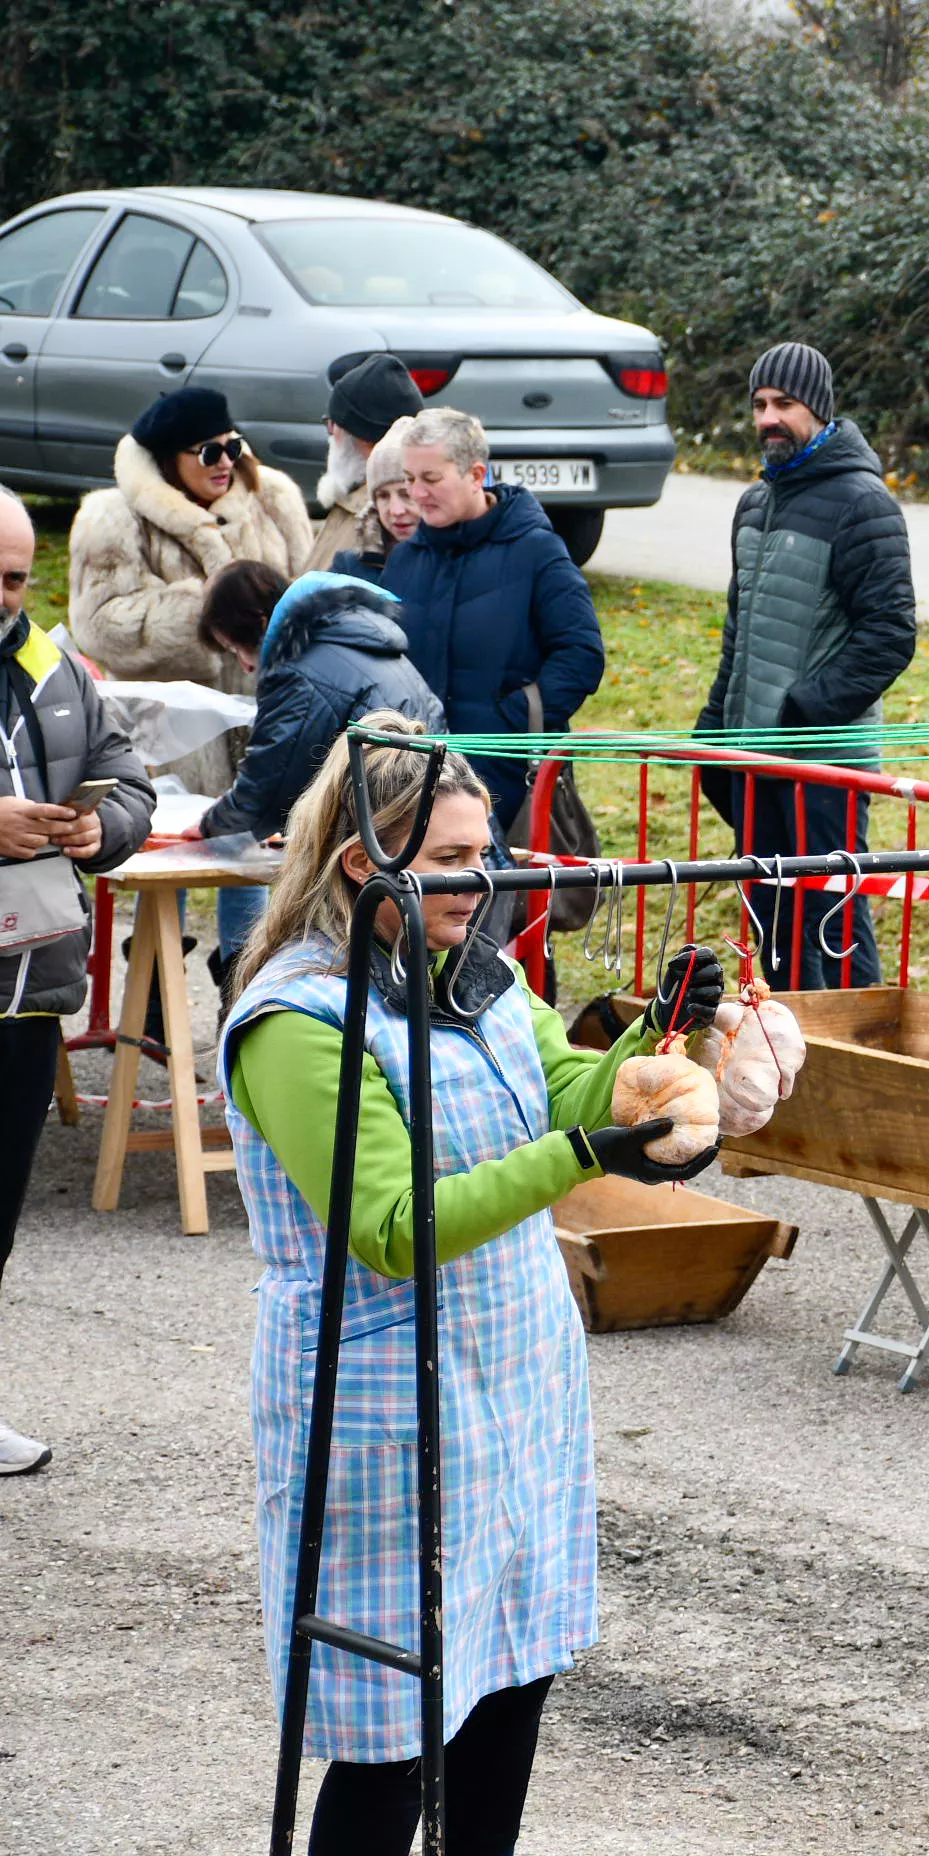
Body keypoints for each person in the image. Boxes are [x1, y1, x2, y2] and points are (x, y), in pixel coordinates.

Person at [225, 715, 723, 1854]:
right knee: (396, 1734)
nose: (480, 877)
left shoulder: (471, 971)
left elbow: (565, 1089)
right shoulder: (295, 1021)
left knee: (507, 1688)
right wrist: (590, 1159)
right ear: (365, 861)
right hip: (387, 1402)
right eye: (450, 861)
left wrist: (656, 1027)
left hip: (517, 1384)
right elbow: (389, 1226)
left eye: (483, 848)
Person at [0, 485, 154, 1474]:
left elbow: (132, 778)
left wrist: (108, 827)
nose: (1, 598)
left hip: (26, 991)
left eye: (14, 579)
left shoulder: (56, 666)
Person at [697, 341, 918, 990]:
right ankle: (793, 1068)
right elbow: (741, 631)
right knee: (773, 920)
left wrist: (803, 713)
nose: (768, 417)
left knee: (832, 922)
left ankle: (863, 1056)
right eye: (759, 404)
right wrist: (716, 728)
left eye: (784, 404)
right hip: (756, 757)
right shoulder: (754, 505)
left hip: (825, 762)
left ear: (818, 409)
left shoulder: (862, 503)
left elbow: (891, 634)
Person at [193, 568, 445, 978]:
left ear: (259, 625)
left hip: (382, 842)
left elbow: (269, 785)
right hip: (416, 828)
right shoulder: (356, 643)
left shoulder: (298, 668)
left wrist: (211, 825)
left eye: (236, 648)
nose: (245, 665)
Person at [68, 385, 317, 792]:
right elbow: (98, 627)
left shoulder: (273, 497)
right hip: (172, 733)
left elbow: (308, 596)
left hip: (272, 712)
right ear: (170, 459)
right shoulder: (112, 519)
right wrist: (209, 612)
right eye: (208, 453)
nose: (225, 463)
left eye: (232, 447)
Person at [382, 408, 604, 842]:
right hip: (416, 784)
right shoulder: (405, 559)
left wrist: (509, 726)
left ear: (476, 474)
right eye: (409, 478)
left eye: (431, 478)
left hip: (508, 789)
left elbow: (581, 654)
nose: (416, 493)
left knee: (504, 908)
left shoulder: (537, 551)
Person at [308, 355, 427, 568]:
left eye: (332, 423)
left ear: (362, 438)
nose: (330, 434)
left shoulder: (382, 518)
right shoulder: (354, 503)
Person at [330, 416, 424, 583]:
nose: (396, 510)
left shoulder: (458, 560)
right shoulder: (349, 567)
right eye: (383, 496)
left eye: (405, 494)